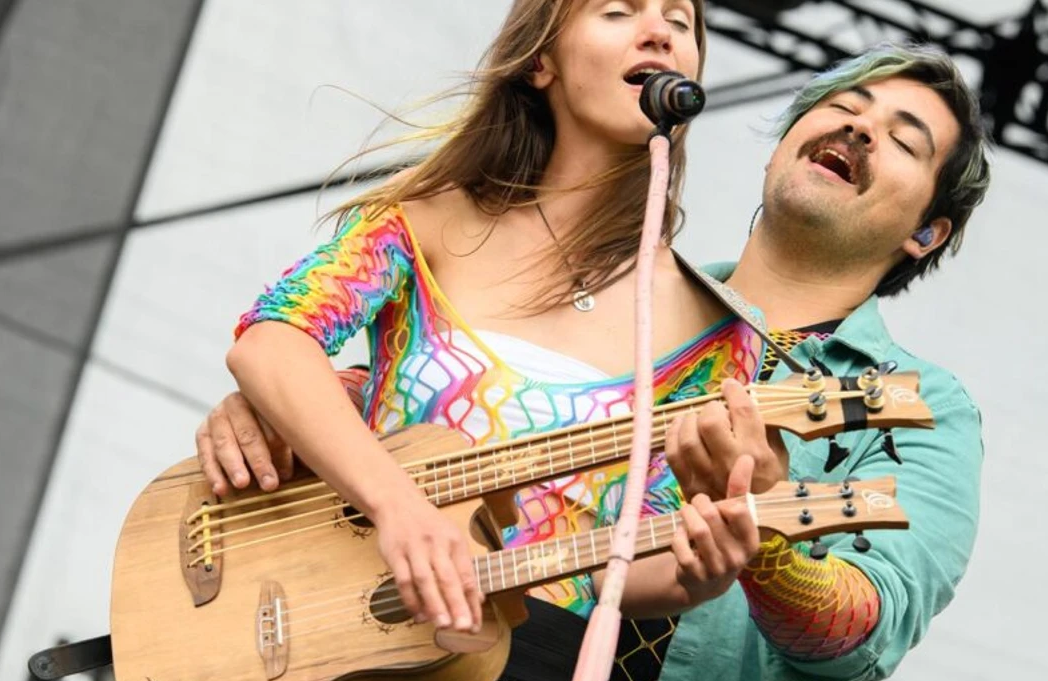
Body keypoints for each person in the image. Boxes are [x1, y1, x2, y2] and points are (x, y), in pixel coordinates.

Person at [204, 26, 989, 681]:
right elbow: (409, 412)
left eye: (902, 142)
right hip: (393, 644)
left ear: (928, 231)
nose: (859, 130)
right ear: (777, 147)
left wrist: (766, 553)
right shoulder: (620, 291)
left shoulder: (924, 406)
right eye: (843, 108)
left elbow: (866, 635)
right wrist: (283, 411)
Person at [214, 1, 779, 679]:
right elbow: (273, 339)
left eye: (680, 21)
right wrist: (399, 507)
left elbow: (624, 567)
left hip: (531, 654)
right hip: (350, 625)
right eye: (619, 11)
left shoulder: (715, 330)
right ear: (541, 62)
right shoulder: (423, 217)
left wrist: (704, 573)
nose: (658, 30)